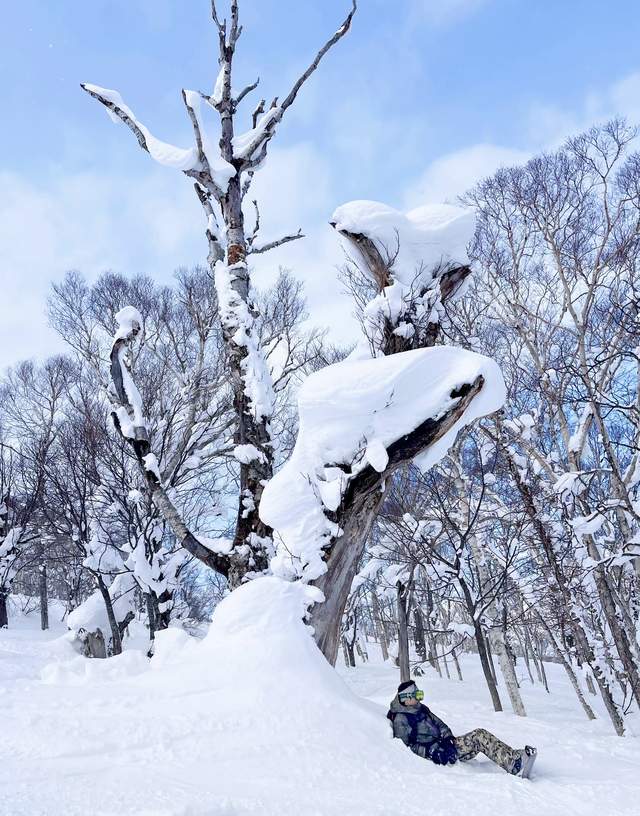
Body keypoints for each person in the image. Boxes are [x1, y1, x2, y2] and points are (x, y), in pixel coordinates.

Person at [387, 679, 537, 778]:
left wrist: (448, 739)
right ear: (406, 698)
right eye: (416, 695)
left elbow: (440, 724)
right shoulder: (401, 718)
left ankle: (513, 757)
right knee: (478, 736)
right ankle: (513, 764)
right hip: (438, 754)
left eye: (420, 694)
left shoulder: (420, 708)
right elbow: (405, 746)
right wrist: (433, 752)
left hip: (445, 747)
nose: (419, 698)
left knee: (480, 734)